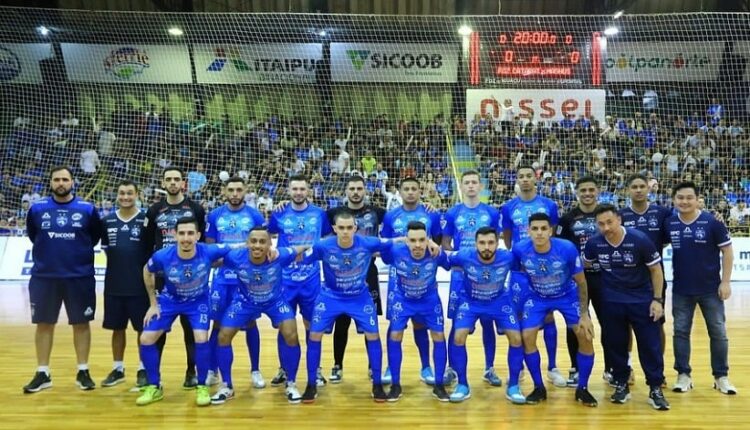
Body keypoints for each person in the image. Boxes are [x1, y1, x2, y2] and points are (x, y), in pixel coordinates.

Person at [300, 212, 428, 403]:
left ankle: (377, 384)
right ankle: (310, 384)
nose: (345, 232)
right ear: (334, 229)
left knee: (373, 336)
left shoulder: (368, 243)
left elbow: (396, 241)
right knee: (314, 335)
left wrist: (431, 244)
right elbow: (302, 257)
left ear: (355, 228)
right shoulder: (322, 246)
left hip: (359, 297)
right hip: (330, 297)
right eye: (341, 228)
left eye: (349, 228)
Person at [136, 217, 231, 406]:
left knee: (201, 338)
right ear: (174, 235)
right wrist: (153, 303)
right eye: (181, 233)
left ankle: (202, 386)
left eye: (190, 233)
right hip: (170, 300)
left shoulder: (209, 250)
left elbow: (236, 249)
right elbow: (147, 271)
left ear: (197, 236)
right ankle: (154, 387)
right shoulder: (162, 256)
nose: (186, 238)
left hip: (198, 302)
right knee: (146, 339)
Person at [23, 166, 102, 393]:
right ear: (51, 183)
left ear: (72, 182)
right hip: (44, 277)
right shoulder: (37, 209)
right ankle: (42, 372)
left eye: (65, 179)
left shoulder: (87, 209)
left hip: (79, 277)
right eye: (57, 179)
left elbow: (94, 237)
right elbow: (33, 235)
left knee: (81, 323)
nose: (61, 183)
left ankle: (83, 371)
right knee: (44, 324)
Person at [583, 204, 670, 410]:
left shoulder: (639, 239)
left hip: (642, 301)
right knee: (616, 346)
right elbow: (584, 268)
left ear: (619, 220)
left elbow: (656, 271)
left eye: (609, 222)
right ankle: (621, 383)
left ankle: (655, 388)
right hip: (611, 302)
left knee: (650, 346)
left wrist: (657, 300)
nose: (606, 227)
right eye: (601, 224)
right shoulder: (594, 244)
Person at [210, 227, 308, 405]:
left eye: (262, 242)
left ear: (270, 244)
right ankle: (226, 386)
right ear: (247, 243)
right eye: (253, 241)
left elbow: (302, 246)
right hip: (244, 302)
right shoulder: (235, 257)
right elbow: (213, 258)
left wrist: (293, 252)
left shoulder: (280, 255)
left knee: (291, 334)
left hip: (275, 301)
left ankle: (291, 384)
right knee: (223, 335)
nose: (257, 245)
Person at [512, 213, 598, 407]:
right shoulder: (519, 250)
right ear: (528, 231)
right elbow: (518, 280)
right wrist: (517, 307)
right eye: (535, 229)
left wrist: (585, 314)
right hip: (537, 297)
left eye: (544, 229)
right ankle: (538, 387)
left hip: (567, 295)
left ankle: (582, 388)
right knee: (527, 336)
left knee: (585, 335)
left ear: (550, 231)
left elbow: (582, 283)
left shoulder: (566, 248)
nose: (539, 233)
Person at [665, 181, 736, 395]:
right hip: (681, 290)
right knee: (680, 332)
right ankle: (683, 375)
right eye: (680, 198)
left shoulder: (712, 223)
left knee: (718, 333)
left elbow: (728, 253)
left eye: (689, 197)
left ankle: (721, 376)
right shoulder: (669, 223)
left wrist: (725, 282)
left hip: (711, 290)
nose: (684, 201)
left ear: (697, 200)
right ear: (674, 200)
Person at [444, 227, 523, 403]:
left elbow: (525, 268)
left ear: (497, 243)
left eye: (490, 242)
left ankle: (514, 386)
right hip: (470, 301)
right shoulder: (464, 255)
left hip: (499, 301)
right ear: (475, 244)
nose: (486, 247)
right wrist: (431, 246)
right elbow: (443, 260)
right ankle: (462, 385)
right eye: (482, 243)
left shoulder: (508, 258)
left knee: (516, 338)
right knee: (458, 336)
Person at [143, 167, 206, 388]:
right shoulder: (154, 210)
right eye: (168, 179)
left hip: (190, 278)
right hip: (162, 278)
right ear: (163, 182)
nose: (172, 183)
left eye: (176, 179)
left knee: (191, 328)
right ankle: (153, 378)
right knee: (158, 329)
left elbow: (203, 241)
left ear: (183, 183)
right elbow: (148, 243)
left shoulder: (196, 209)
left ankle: (192, 372)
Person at [501, 165, 562, 387]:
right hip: (519, 271)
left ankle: (553, 367)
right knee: (518, 319)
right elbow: (507, 238)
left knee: (547, 315)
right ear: (516, 180)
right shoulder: (508, 207)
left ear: (535, 179)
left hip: (544, 269)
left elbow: (551, 233)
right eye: (521, 177)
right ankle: (522, 367)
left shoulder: (549, 205)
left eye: (528, 176)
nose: (525, 180)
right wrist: (521, 255)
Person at [268, 175, 332, 387]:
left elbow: (326, 239)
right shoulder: (279, 213)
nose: (298, 192)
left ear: (308, 191)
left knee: (313, 325)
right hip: (284, 279)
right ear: (289, 190)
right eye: (294, 188)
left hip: (311, 279)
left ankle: (317, 369)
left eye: (302, 189)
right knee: (284, 326)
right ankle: (284, 369)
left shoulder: (319, 214)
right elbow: (267, 237)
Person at [442, 170, 502, 386]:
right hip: (460, 277)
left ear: (480, 185)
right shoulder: (452, 213)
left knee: (488, 322)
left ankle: (489, 368)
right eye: (466, 182)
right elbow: (446, 243)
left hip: (487, 277)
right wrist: (459, 259)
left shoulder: (491, 213)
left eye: (474, 182)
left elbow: (495, 240)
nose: (470, 186)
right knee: (458, 324)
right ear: (462, 185)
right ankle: (452, 368)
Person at [205, 176, 266, 388]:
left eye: (239, 190)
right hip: (222, 279)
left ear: (245, 191)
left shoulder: (255, 215)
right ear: (224, 191)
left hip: (247, 280)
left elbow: (262, 245)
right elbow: (210, 249)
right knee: (218, 324)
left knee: (250, 323)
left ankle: (255, 370)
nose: (234, 194)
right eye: (230, 190)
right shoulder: (214, 215)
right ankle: (213, 371)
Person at [380, 177, 442, 385]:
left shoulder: (431, 213)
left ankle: (426, 366)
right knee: (395, 324)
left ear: (419, 190)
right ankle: (391, 366)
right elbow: (386, 244)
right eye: (406, 188)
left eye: (414, 188)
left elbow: (438, 242)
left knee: (421, 322)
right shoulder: (391, 216)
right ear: (400, 191)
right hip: (398, 275)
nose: (410, 192)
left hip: (424, 275)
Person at [326, 175, 387, 384]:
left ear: (365, 190)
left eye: (359, 188)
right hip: (340, 276)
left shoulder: (377, 213)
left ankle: (373, 366)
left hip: (368, 274)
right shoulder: (334, 214)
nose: (355, 192)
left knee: (369, 323)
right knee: (341, 322)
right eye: (351, 188)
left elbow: (400, 220)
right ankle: (337, 365)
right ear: (346, 191)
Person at [380, 221, 449, 401]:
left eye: (421, 240)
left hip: (429, 301)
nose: (417, 245)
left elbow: (452, 262)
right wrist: (400, 239)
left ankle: (439, 385)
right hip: (403, 301)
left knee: (439, 337)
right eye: (412, 240)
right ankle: (396, 385)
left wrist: (437, 247)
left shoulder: (435, 254)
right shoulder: (396, 252)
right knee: (395, 336)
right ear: (406, 241)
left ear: (427, 239)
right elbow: (378, 246)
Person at [556, 176, 607, 387]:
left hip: (604, 277)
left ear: (598, 191)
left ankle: (612, 368)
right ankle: (575, 368)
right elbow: (560, 247)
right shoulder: (568, 218)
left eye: (591, 189)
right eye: (583, 190)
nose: (587, 194)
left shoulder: (606, 214)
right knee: (574, 325)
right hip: (576, 279)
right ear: (577, 192)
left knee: (610, 324)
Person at [100, 180, 150, 389]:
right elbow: (106, 249)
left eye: (130, 193)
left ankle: (142, 368)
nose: (126, 197)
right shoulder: (107, 220)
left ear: (137, 194)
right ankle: (118, 368)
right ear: (117, 196)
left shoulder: (146, 220)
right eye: (122, 193)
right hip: (114, 285)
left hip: (140, 287)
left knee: (142, 330)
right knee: (117, 329)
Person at [620, 174, 672, 355]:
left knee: (657, 322)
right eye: (634, 187)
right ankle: (627, 368)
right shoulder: (621, 215)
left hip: (654, 278)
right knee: (625, 325)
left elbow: (667, 240)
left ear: (648, 188)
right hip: (626, 279)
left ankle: (659, 368)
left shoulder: (662, 213)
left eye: (642, 186)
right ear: (627, 190)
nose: (639, 190)